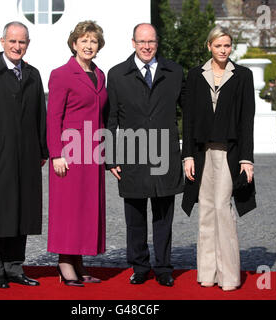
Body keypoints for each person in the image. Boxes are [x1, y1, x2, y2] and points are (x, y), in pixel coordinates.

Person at [0, 21, 48, 289]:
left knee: (22, 211)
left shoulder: (34, 74)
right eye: (12, 41)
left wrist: (42, 149)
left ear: (28, 44)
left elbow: (40, 116)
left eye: (22, 42)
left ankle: (14, 267)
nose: (17, 46)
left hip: (26, 155)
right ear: (2, 41)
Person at [105, 23, 184, 287]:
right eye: (142, 42)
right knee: (135, 217)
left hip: (165, 153)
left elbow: (190, 112)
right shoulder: (116, 74)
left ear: (157, 43)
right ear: (133, 43)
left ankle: (163, 268)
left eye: (151, 42)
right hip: (131, 154)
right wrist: (111, 158)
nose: (147, 47)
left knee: (163, 217)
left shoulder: (174, 71)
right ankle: (139, 266)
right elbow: (112, 119)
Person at [181, 25, 256, 291]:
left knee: (223, 210)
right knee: (206, 212)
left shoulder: (243, 75)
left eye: (227, 45)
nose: (223, 50)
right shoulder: (194, 75)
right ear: (209, 46)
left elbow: (247, 120)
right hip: (201, 153)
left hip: (230, 153)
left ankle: (229, 277)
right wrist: (187, 155)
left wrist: (247, 159)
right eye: (218, 45)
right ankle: (207, 273)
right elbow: (188, 120)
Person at [47, 20, 107, 287]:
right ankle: (64, 263)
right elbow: (53, 118)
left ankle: (79, 261)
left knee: (87, 209)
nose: (88, 45)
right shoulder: (61, 74)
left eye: (93, 41)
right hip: (69, 155)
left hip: (92, 154)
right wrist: (56, 154)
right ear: (74, 44)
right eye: (84, 40)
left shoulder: (100, 75)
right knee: (68, 210)